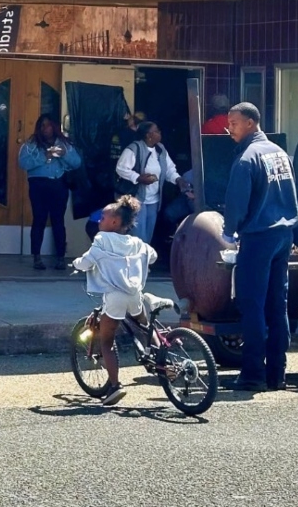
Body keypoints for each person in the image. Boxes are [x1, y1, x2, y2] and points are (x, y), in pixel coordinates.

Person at [221, 102, 298, 393]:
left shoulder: (246, 159)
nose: (230, 128)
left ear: (252, 123)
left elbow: (236, 202)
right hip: (283, 234)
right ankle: (277, 374)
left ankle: (253, 373)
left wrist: (229, 232)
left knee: (251, 303)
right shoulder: (279, 153)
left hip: (257, 237)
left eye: (235, 122)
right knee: (277, 303)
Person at [74, 195, 157, 406]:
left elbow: (87, 261)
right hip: (134, 293)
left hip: (115, 296)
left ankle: (114, 386)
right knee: (145, 326)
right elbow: (153, 255)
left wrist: (76, 263)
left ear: (114, 222)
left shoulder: (102, 239)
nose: (99, 221)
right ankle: (161, 357)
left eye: (103, 217)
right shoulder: (136, 242)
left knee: (107, 341)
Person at [17, 114, 82, 270]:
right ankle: (37, 258)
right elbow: (23, 163)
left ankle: (60, 257)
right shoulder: (31, 144)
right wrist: (44, 156)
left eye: (49, 125)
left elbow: (77, 163)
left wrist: (64, 155)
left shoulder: (64, 144)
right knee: (39, 219)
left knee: (58, 220)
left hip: (58, 184)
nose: (46, 129)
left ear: (55, 126)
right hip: (38, 185)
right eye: (42, 126)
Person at [115, 121, 191, 245]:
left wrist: (178, 180)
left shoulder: (160, 149)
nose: (160, 133)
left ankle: (144, 263)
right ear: (148, 135)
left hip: (154, 200)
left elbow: (169, 169)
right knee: (138, 237)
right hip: (137, 199)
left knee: (148, 236)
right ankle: (137, 263)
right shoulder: (135, 148)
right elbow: (121, 168)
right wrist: (139, 178)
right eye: (156, 131)